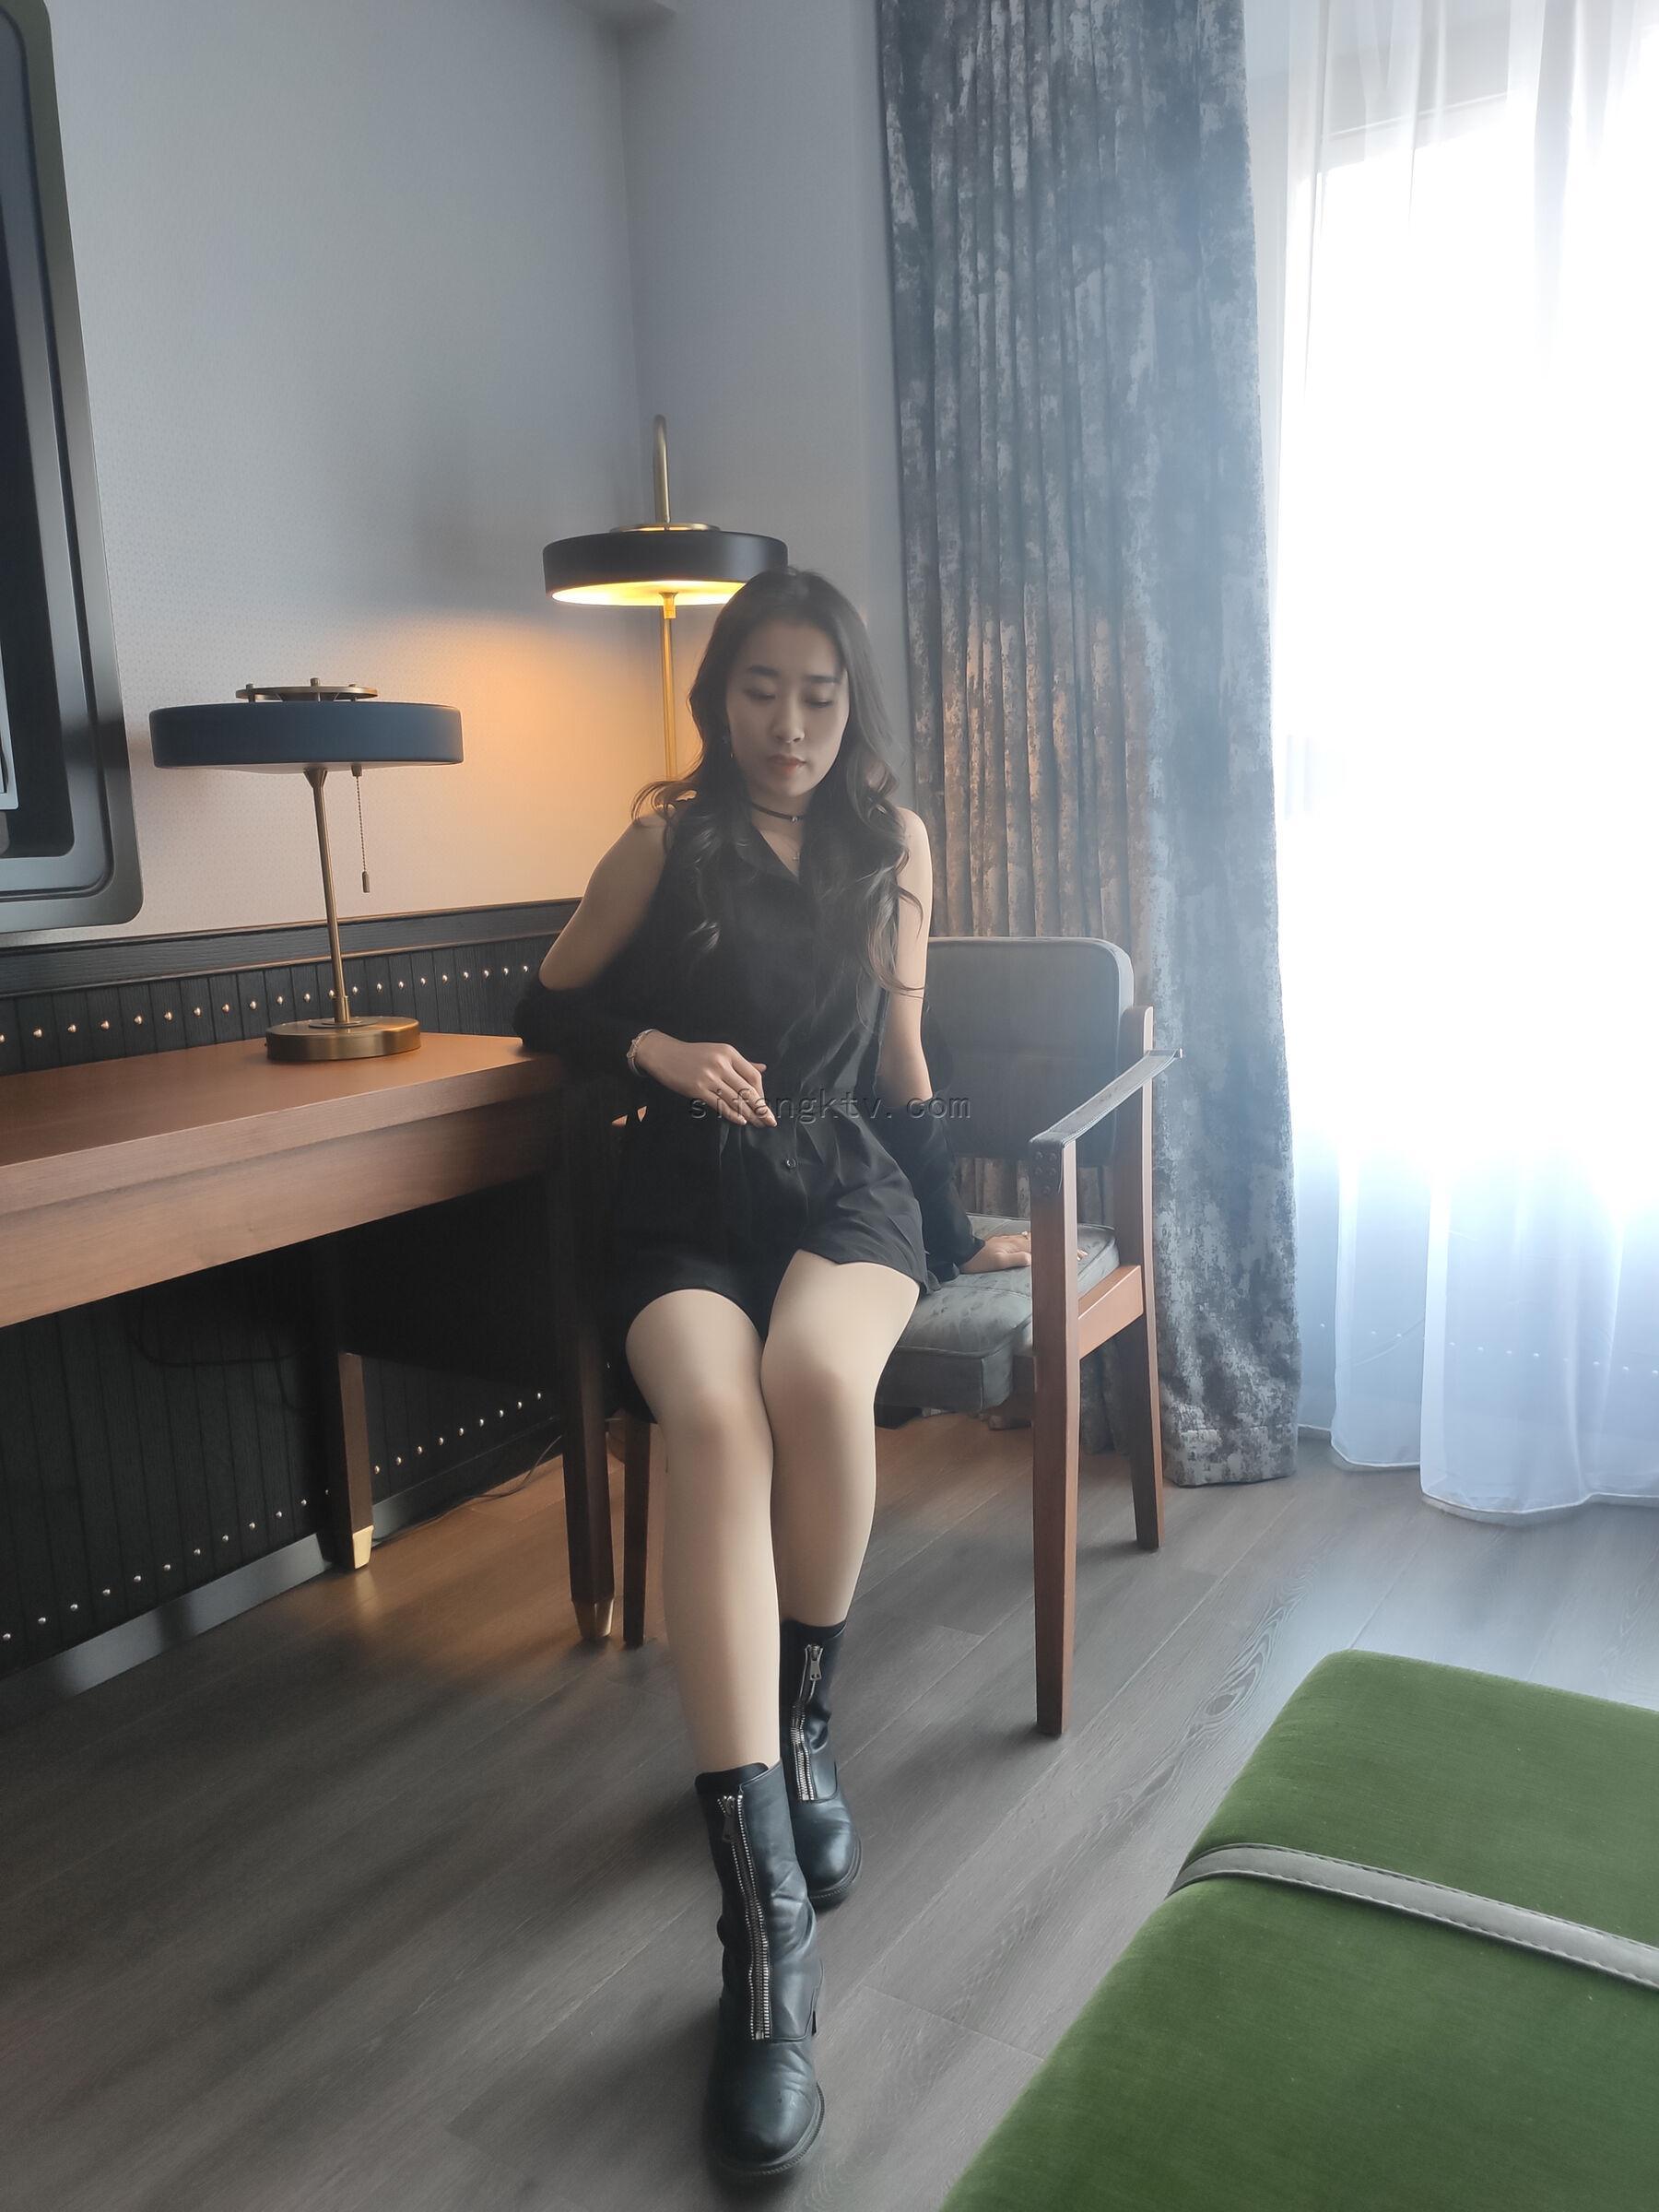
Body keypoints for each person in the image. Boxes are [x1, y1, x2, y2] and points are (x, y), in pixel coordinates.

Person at [512, 567, 1032, 2184]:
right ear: (717, 694)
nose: (789, 724)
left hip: (845, 1186)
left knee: (813, 1376)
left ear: (850, 702)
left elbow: (903, 1061)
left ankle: (805, 1729)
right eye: (760, 690)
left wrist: (959, 1225)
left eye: (819, 693)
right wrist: (654, 1049)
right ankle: (764, 1937)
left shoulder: (895, 845)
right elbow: (539, 1003)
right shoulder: (663, 842)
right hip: (680, 1201)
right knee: (713, 1426)